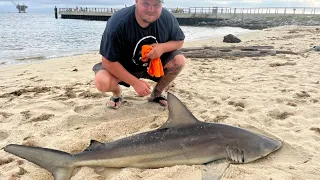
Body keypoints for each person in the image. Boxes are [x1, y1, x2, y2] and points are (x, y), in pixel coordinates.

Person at [93, 0, 186, 109]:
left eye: (156, 5)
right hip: (125, 67)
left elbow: (179, 41)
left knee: (179, 60)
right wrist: (135, 83)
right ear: (137, 1)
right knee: (102, 81)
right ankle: (117, 94)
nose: (151, 9)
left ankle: (157, 94)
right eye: (146, 3)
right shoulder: (118, 22)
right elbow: (108, 61)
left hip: (154, 66)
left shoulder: (167, 18)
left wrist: (162, 47)